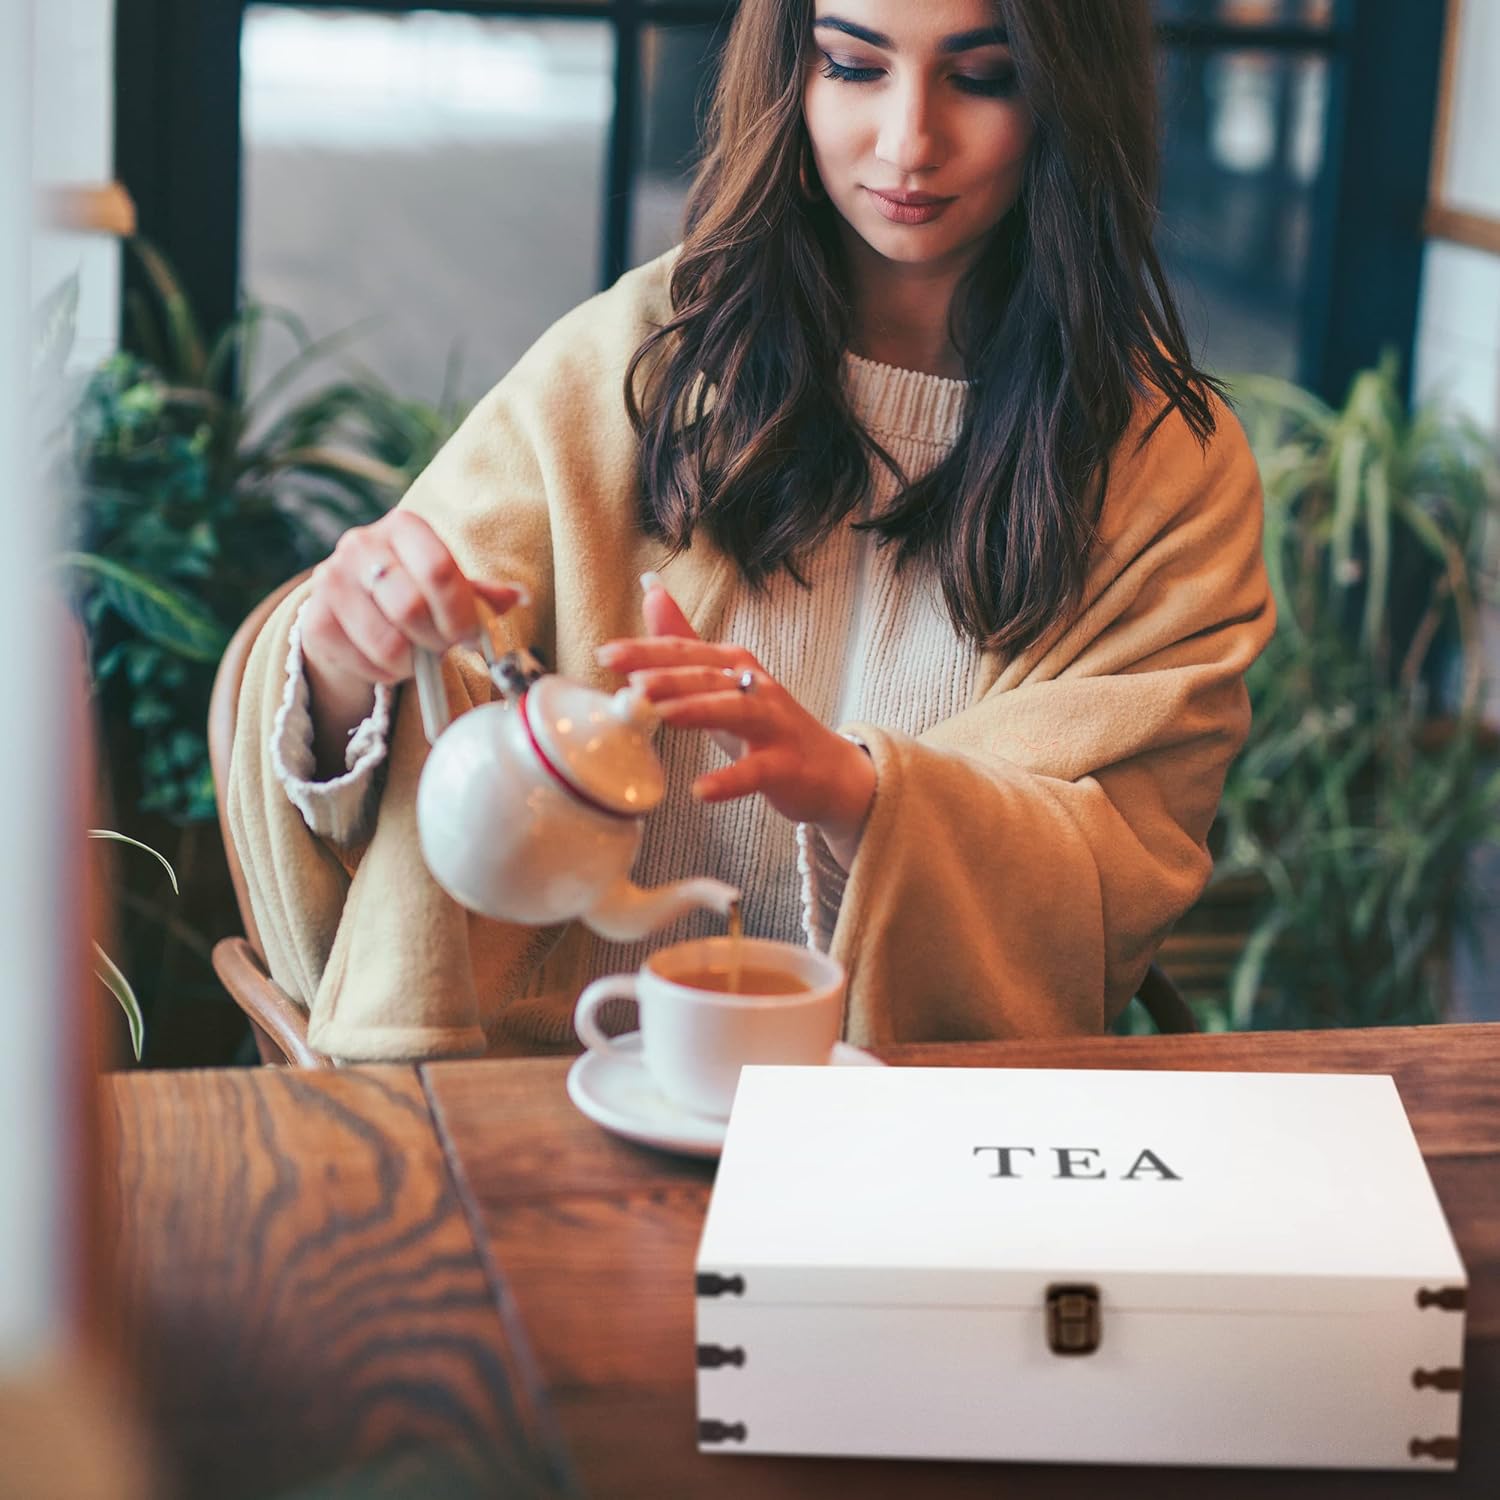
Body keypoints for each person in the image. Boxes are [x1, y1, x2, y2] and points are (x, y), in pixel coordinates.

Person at [229, 0, 1273, 1062]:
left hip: (906, 1152)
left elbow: (1120, 863)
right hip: (539, 1099)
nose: (909, 142)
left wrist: (853, 788)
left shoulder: (1163, 467)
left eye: (983, 78)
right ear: (789, 73)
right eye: (854, 67)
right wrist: (344, 658)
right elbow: (430, 686)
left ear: (1069, 95)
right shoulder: (638, 360)